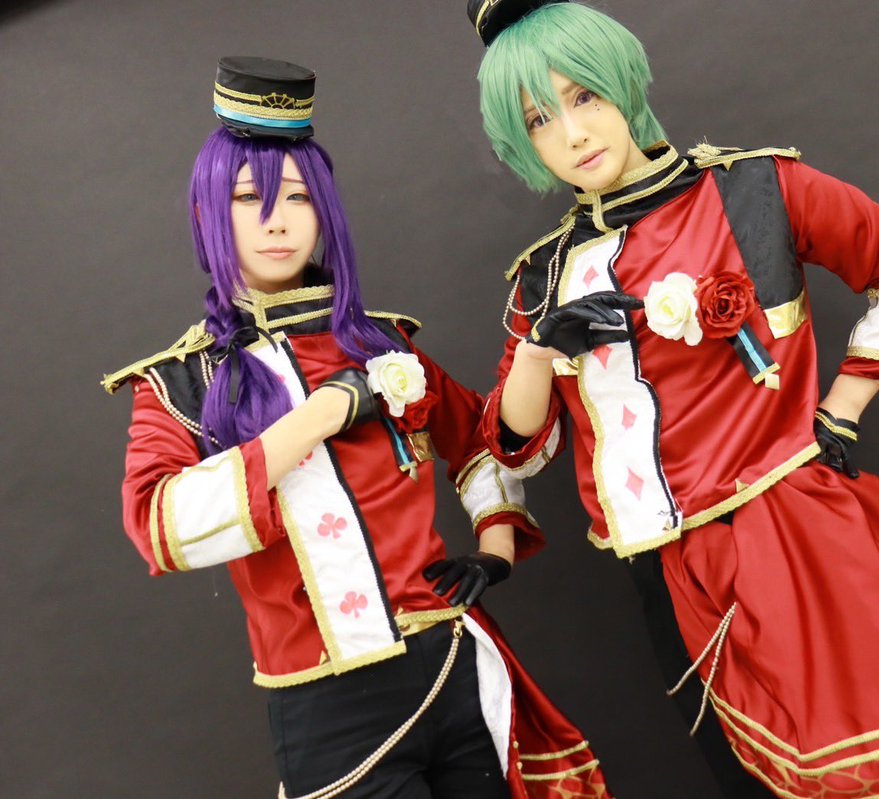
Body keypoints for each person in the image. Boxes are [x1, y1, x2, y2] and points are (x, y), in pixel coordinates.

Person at [464, 3, 879, 798]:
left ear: (621, 82)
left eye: (584, 95)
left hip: (790, 536)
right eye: (538, 119)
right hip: (665, 577)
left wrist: (839, 413)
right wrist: (538, 348)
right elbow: (517, 444)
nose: (572, 132)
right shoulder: (546, 274)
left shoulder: (755, 190)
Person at [103, 56, 610, 799]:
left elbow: (483, 443)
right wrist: (323, 414)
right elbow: (162, 528)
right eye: (248, 198)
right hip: (326, 707)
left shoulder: (382, 344)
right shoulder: (178, 383)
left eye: (299, 197)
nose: (277, 220)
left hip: (450, 668)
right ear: (208, 213)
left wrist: (495, 547)